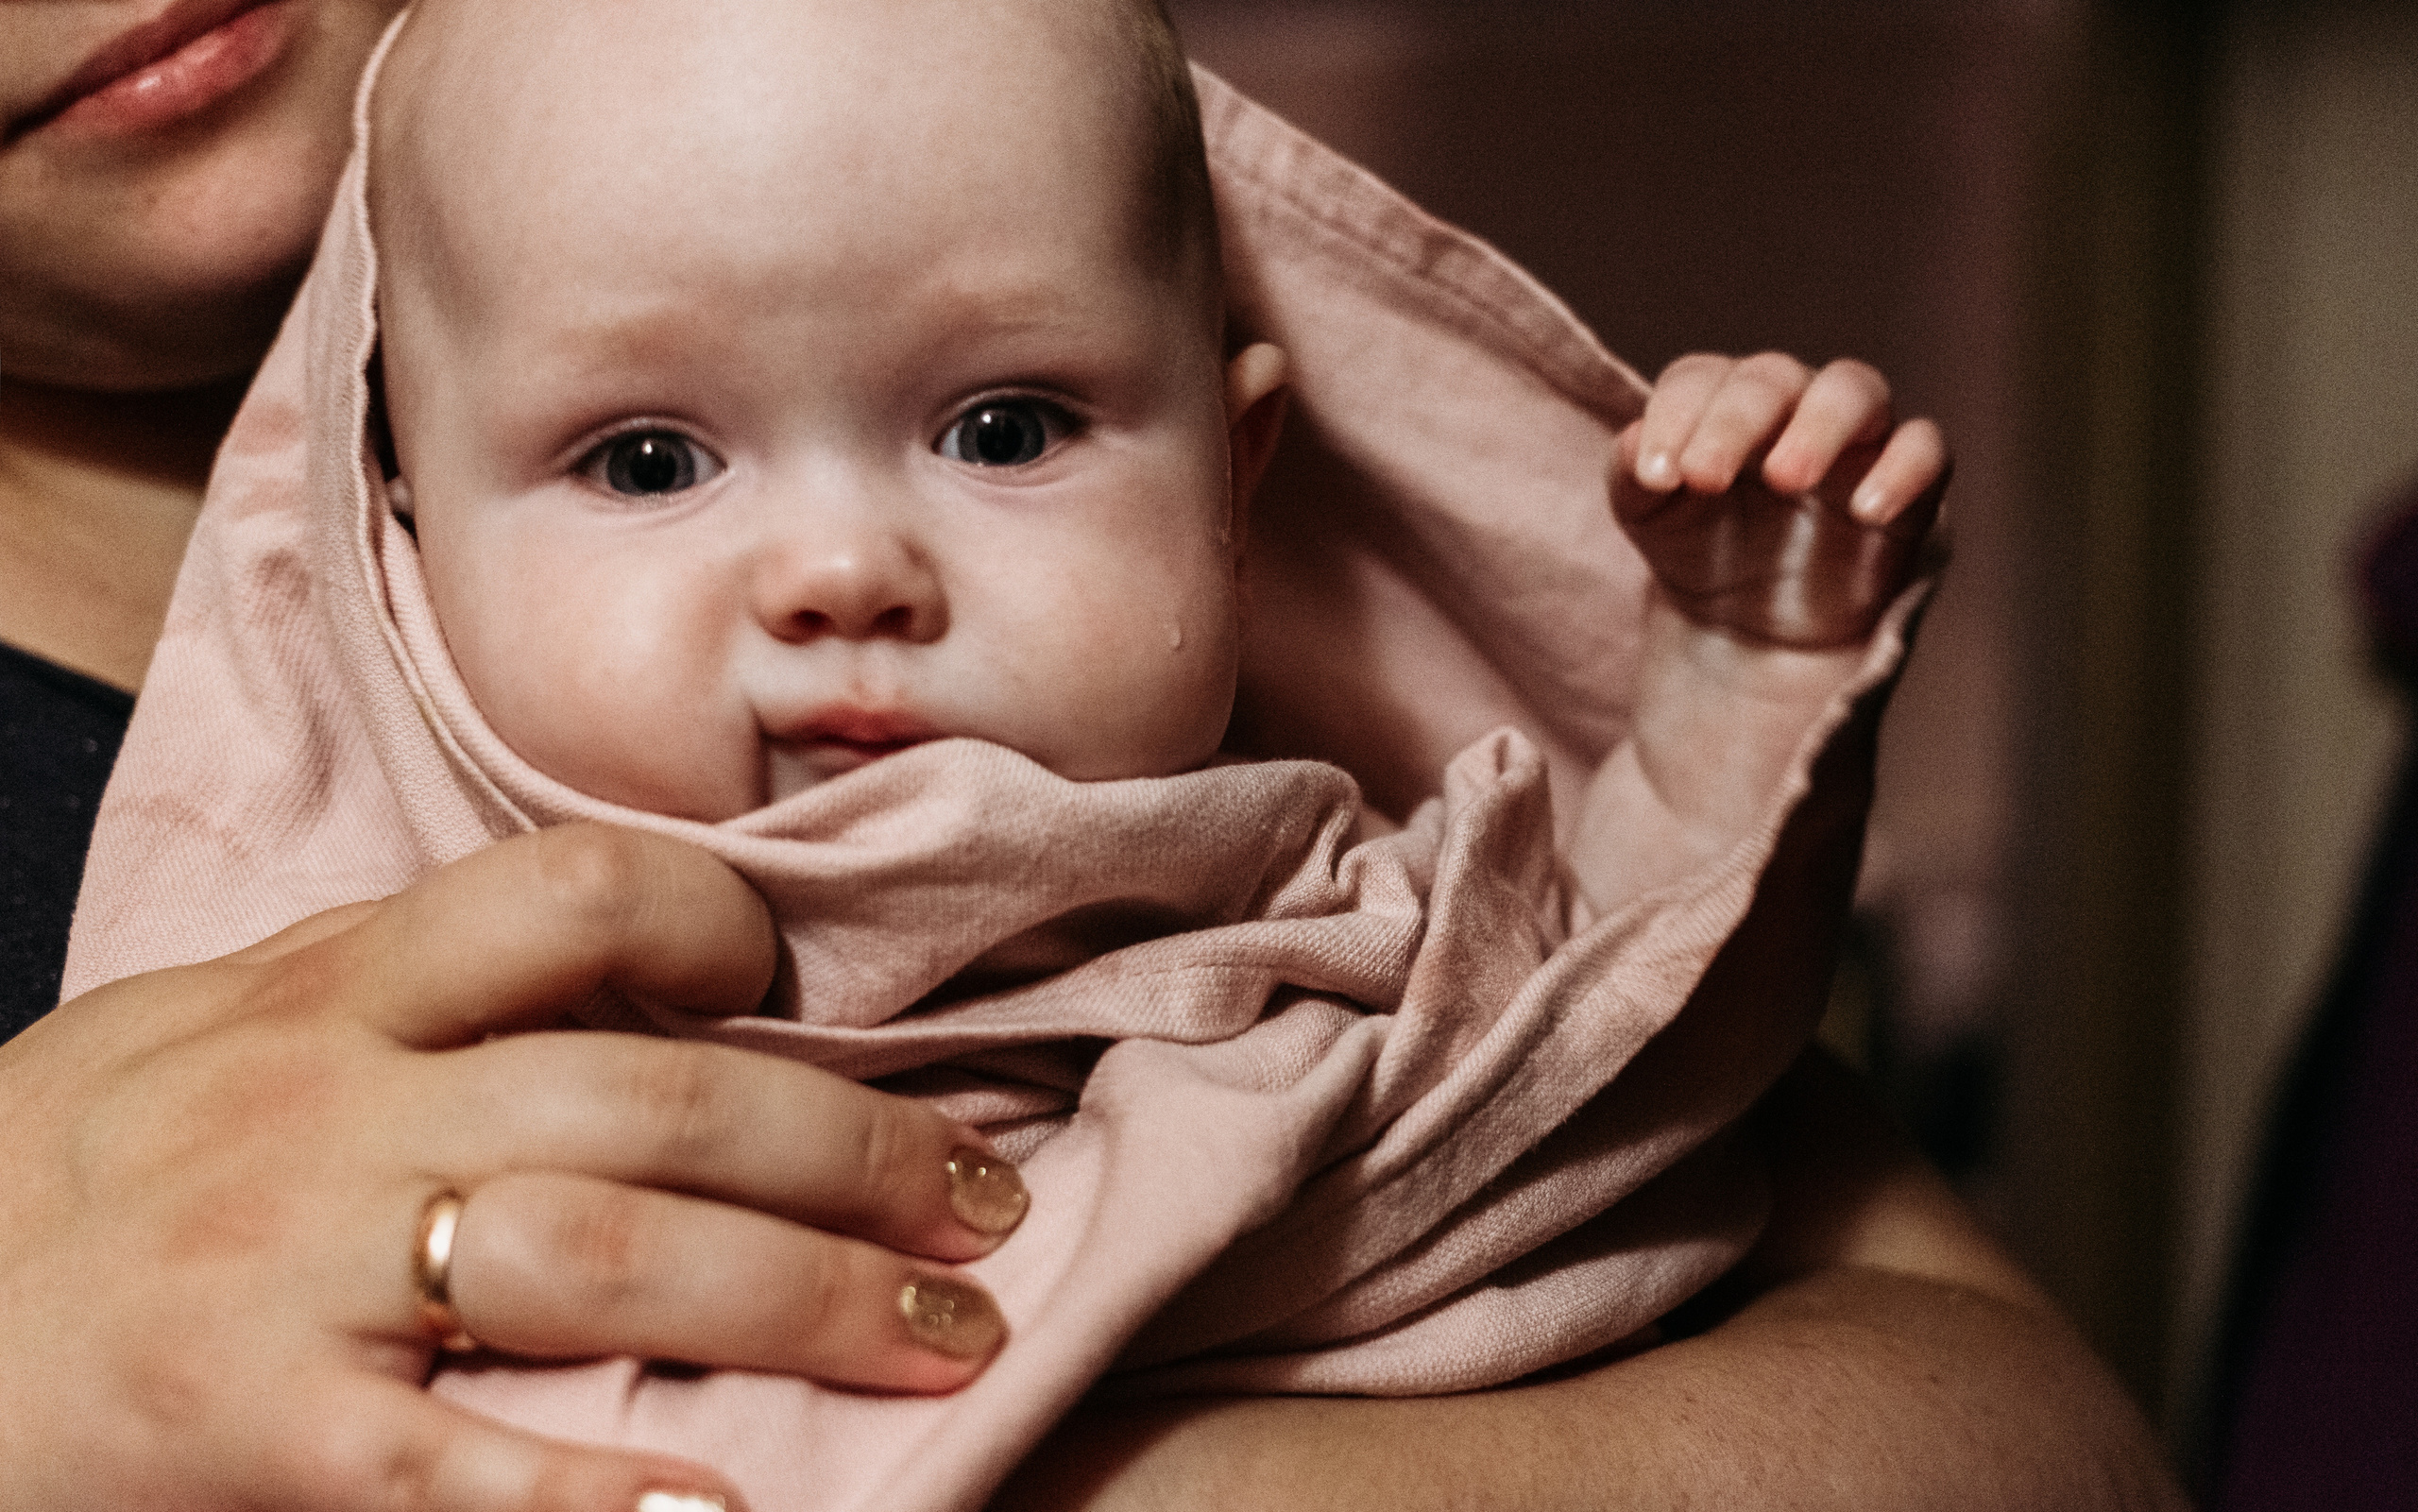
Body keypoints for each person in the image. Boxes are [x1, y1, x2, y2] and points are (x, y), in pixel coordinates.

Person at [0, 2, 2187, 1510]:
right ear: (385, 549)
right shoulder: (313, 849)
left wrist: (1726, 697)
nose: (846, 567)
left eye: (1006, 429)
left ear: (1233, 492)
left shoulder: (1271, 838)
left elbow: (1970, 1379)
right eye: (647, 458)